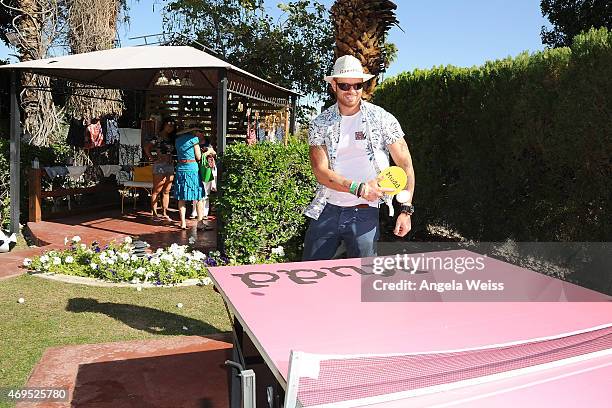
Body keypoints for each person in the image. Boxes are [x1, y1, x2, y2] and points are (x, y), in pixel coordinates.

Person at [302, 55, 416, 261]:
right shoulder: (320, 123)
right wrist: (359, 188)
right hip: (327, 209)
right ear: (334, 85)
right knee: (308, 273)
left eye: (358, 85)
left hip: (365, 213)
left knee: (363, 278)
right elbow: (321, 172)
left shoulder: (382, 118)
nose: (352, 91)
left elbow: (405, 164)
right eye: (345, 85)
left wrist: (406, 210)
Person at [173, 126, 206, 230]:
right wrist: (208, 152)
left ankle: (183, 223)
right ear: (193, 131)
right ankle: (200, 223)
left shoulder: (177, 140)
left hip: (181, 168)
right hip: (192, 169)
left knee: (181, 197)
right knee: (198, 196)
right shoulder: (194, 139)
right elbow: (199, 156)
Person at [143, 118, 176, 221]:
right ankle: (154, 213)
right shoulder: (157, 137)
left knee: (167, 190)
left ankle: (165, 212)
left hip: (170, 165)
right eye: (169, 125)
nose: (171, 128)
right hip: (160, 165)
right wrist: (152, 158)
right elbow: (146, 147)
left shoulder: (171, 138)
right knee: (157, 190)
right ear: (164, 125)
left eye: (172, 126)